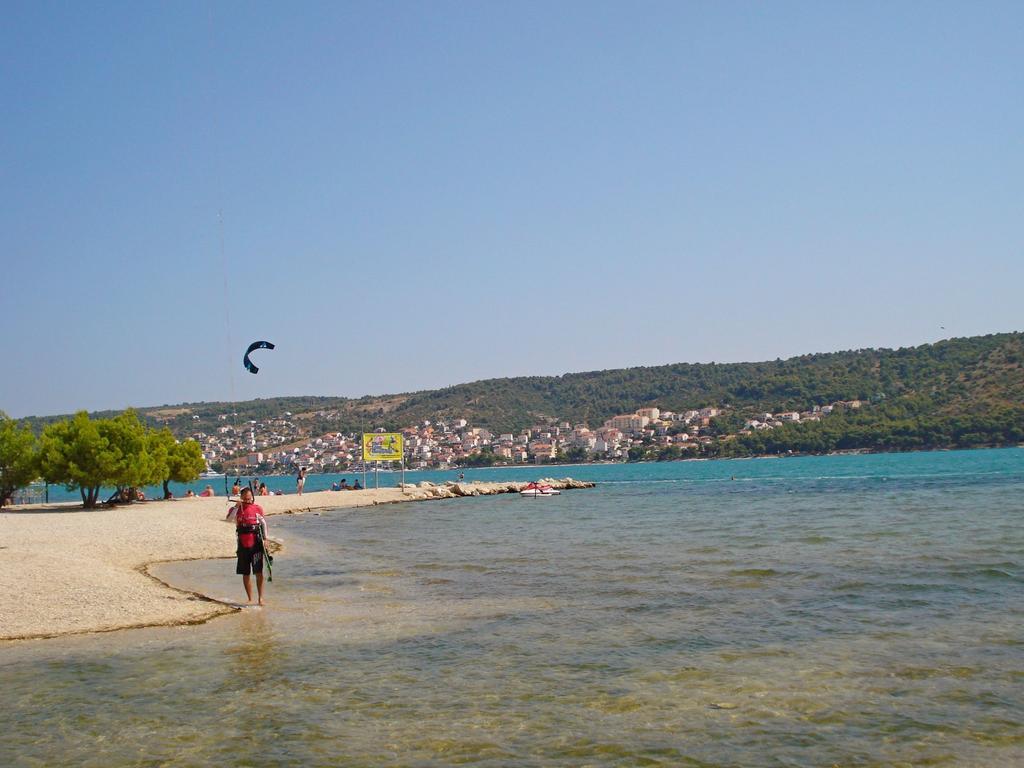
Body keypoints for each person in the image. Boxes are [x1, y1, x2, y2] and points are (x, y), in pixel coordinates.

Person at [226, 487, 267, 605]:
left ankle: (260, 598)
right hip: (243, 545)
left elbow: (264, 524)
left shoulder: (257, 508)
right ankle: (249, 598)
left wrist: (265, 539)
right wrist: (236, 507)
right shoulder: (236, 509)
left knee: (258, 571)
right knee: (245, 573)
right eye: (245, 498)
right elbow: (228, 520)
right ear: (241, 498)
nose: (248, 501)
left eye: (250, 498)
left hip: (256, 544)